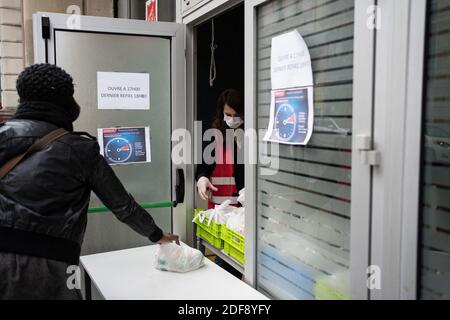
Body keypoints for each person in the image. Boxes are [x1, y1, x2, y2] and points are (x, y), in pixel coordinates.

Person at [0, 64, 179, 300]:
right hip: (51, 267)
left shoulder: (3, 135)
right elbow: (123, 206)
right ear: (64, 101)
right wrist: (157, 235)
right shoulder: (79, 149)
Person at [196, 89, 244, 278]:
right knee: (222, 254)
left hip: (242, 208)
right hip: (220, 208)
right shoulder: (214, 134)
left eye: (236, 115)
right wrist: (202, 177)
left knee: (237, 257)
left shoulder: (250, 133)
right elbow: (204, 165)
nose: (232, 119)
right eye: (228, 115)